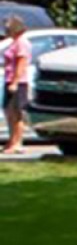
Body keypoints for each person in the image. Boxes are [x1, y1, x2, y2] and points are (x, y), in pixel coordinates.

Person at [3, 17, 30, 154]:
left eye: (8, 28)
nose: (6, 30)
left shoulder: (22, 43)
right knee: (9, 113)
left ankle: (17, 143)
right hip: (9, 80)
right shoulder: (14, 42)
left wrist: (15, 82)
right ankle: (11, 141)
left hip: (19, 83)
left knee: (17, 113)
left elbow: (21, 64)